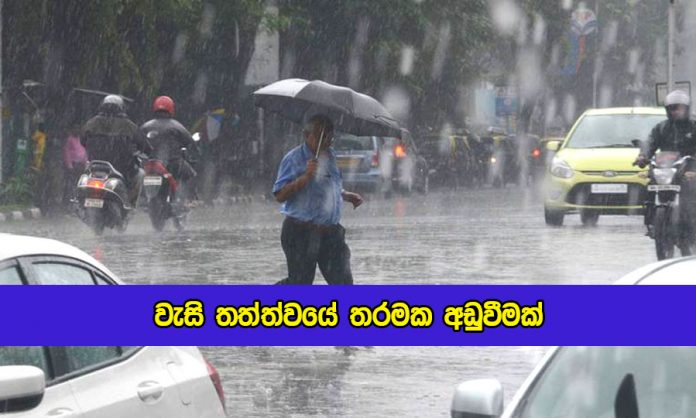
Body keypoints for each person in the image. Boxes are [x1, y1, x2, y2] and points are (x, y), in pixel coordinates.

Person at [273, 114, 363, 285]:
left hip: (331, 234)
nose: (327, 140)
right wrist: (305, 177)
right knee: (299, 284)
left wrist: (345, 195)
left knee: (343, 284)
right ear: (307, 135)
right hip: (301, 232)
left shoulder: (330, 156)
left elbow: (330, 186)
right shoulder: (294, 159)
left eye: (330, 136)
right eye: (322, 134)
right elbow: (279, 195)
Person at [634, 89, 696, 235]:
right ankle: (652, 220)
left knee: (692, 189)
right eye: (672, 109)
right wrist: (643, 156)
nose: (676, 112)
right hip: (668, 169)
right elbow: (650, 143)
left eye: (679, 108)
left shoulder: (694, 127)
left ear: (687, 109)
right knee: (650, 185)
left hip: (691, 168)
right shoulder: (661, 128)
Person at [81, 95, 148, 207]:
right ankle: (130, 204)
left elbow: (82, 140)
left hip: (96, 166)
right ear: (121, 108)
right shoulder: (129, 125)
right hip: (122, 168)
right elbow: (144, 144)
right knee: (140, 174)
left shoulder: (91, 123)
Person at [140, 96, 198, 202]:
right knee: (191, 174)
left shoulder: (146, 126)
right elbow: (189, 141)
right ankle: (190, 199)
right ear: (171, 108)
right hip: (172, 162)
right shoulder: (176, 126)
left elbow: (138, 142)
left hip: (149, 163)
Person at [62, 123, 87, 205]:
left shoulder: (79, 139)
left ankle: (76, 203)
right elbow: (67, 152)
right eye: (75, 129)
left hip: (80, 165)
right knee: (70, 185)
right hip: (73, 165)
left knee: (79, 185)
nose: (77, 131)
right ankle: (67, 203)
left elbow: (82, 151)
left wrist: (85, 162)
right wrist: (69, 165)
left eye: (78, 129)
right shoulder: (70, 140)